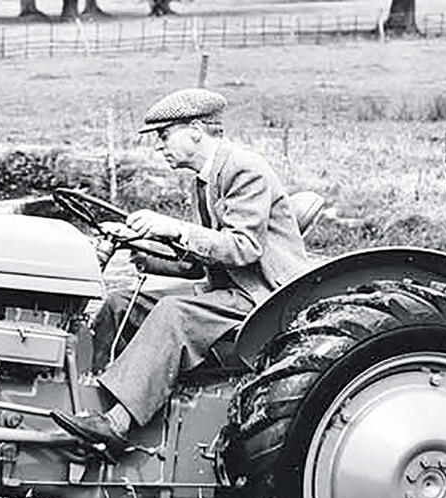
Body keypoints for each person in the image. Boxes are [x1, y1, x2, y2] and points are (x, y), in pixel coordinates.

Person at [53, 87, 309, 457]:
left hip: (264, 299)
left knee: (173, 315)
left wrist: (173, 228)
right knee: (121, 303)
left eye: (163, 134)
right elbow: (196, 260)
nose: (159, 146)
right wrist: (142, 250)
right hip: (227, 293)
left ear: (194, 130)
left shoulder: (244, 169)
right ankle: (89, 403)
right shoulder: (203, 181)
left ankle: (117, 425)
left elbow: (243, 247)